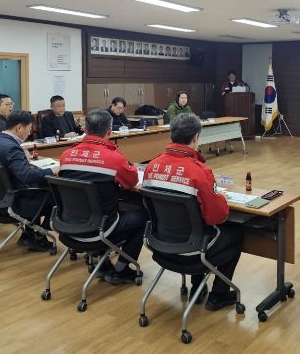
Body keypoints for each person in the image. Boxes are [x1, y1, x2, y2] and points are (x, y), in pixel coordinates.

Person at [143, 113, 243, 311]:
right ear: (196, 137)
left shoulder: (151, 166)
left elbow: (148, 206)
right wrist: (221, 198)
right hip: (192, 250)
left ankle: (198, 287)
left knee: (196, 225)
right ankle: (219, 295)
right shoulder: (199, 171)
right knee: (235, 234)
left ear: (171, 134)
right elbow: (216, 216)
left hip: (160, 244)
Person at [59, 109, 147, 284]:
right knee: (143, 216)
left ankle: (102, 262)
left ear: (85, 129)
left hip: (68, 223)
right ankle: (121, 269)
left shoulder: (66, 155)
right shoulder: (114, 158)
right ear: (109, 131)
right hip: (101, 227)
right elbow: (131, 182)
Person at [0, 111, 58, 251]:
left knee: (40, 186)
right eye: (29, 128)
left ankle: (29, 235)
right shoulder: (12, 148)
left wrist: (23, 160)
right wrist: (53, 170)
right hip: (14, 203)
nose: (30, 132)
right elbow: (26, 176)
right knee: (55, 194)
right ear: (19, 127)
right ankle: (38, 235)